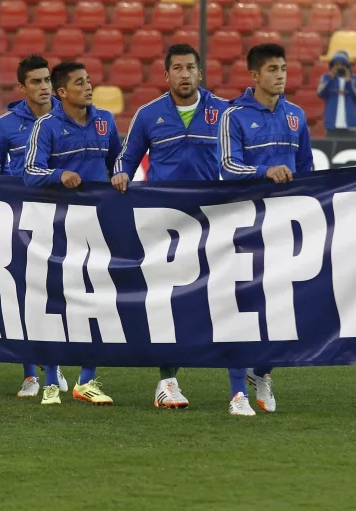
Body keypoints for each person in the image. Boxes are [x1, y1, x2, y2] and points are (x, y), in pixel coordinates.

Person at [111, 43, 230, 411]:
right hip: (166, 225)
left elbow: (243, 157)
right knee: (170, 300)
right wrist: (119, 174)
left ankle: (246, 381)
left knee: (227, 297)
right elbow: (126, 158)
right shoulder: (149, 115)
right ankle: (167, 380)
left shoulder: (225, 112)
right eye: (176, 68)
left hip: (215, 221)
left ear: (200, 73)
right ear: (166, 75)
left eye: (189, 67)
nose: (183, 74)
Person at [0, 55, 69, 397]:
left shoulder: (68, 115)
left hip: (64, 219)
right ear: (22, 87)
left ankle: (53, 364)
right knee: (26, 297)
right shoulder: (7, 124)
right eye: (36, 81)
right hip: (22, 221)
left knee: (56, 297)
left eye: (47, 80)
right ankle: (33, 373)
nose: (45, 87)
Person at [218, 43, 314, 416]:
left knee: (278, 307)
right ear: (255, 76)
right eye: (273, 69)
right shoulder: (234, 116)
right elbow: (228, 165)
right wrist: (264, 172)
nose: (281, 75)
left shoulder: (296, 116)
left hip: (283, 225)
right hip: (243, 223)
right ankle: (236, 392)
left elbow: (305, 171)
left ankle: (262, 374)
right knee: (242, 305)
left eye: (284, 68)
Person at [23, 61, 122, 406]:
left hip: (96, 226)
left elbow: (117, 160)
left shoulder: (105, 121)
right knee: (54, 302)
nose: (89, 86)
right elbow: (30, 171)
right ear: (62, 92)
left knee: (96, 300)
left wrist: (121, 174)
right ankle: (51, 380)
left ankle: (87, 379)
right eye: (80, 82)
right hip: (56, 226)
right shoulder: (46, 126)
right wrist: (59, 174)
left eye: (89, 80)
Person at [317, 50, 356, 139]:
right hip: (332, 124)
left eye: (342, 64)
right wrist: (331, 78)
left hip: (350, 125)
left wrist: (348, 81)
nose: (339, 67)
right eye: (336, 64)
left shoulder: (355, 79)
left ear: (347, 66)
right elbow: (320, 94)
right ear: (332, 66)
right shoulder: (326, 77)